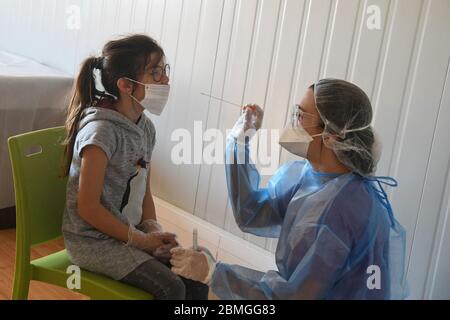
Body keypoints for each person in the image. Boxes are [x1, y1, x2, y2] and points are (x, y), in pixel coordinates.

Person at [170, 78, 409, 300]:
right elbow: (251, 213)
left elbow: (294, 297)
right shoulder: (310, 176)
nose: (293, 120)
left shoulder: (343, 210)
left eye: (300, 115)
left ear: (331, 136)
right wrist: (240, 142)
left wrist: (214, 273)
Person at [61, 34, 208, 300]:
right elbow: (88, 208)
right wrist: (141, 241)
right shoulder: (101, 132)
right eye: (155, 73)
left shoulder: (146, 129)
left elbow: (143, 189)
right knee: (172, 287)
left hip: (128, 234)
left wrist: (152, 228)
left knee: (193, 278)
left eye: (165, 71)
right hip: (93, 241)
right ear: (126, 85)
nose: (165, 80)